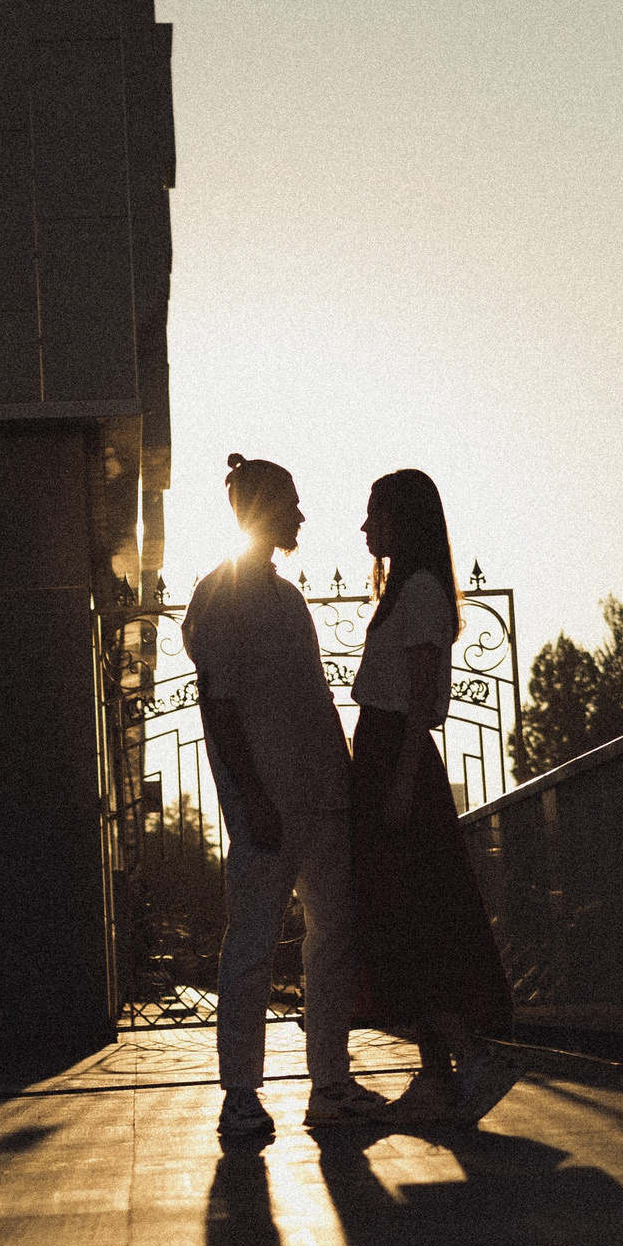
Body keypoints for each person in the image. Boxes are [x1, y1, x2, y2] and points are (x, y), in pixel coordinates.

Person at [182, 454, 387, 1139]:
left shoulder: (289, 598)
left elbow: (313, 702)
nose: (301, 514)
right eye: (291, 502)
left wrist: (344, 780)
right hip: (268, 804)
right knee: (251, 945)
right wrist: (254, 800)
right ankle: (240, 1093)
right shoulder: (219, 596)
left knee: (334, 939)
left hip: (323, 798)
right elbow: (221, 708)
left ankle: (329, 1082)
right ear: (261, 508)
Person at [347, 468, 522, 1124]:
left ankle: (470, 1058)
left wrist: (398, 781)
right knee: (400, 920)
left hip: (399, 760)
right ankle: (437, 1077)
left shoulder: (419, 592)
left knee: (414, 920)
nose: (365, 528)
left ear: (404, 520)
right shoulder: (402, 592)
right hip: (384, 756)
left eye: (376, 515)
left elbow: (423, 702)